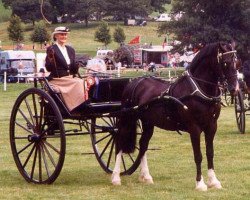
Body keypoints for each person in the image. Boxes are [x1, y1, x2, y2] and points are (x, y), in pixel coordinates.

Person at [45, 26, 87, 112]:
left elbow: (73, 69)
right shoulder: (52, 49)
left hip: (70, 78)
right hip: (58, 79)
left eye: (65, 34)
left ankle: (82, 104)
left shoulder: (70, 50)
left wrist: (77, 65)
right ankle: (76, 107)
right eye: (61, 34)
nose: (64, 36)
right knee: (79, 83)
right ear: (56, 36)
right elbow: (48, 68)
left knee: (85, 82)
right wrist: (51, 59)